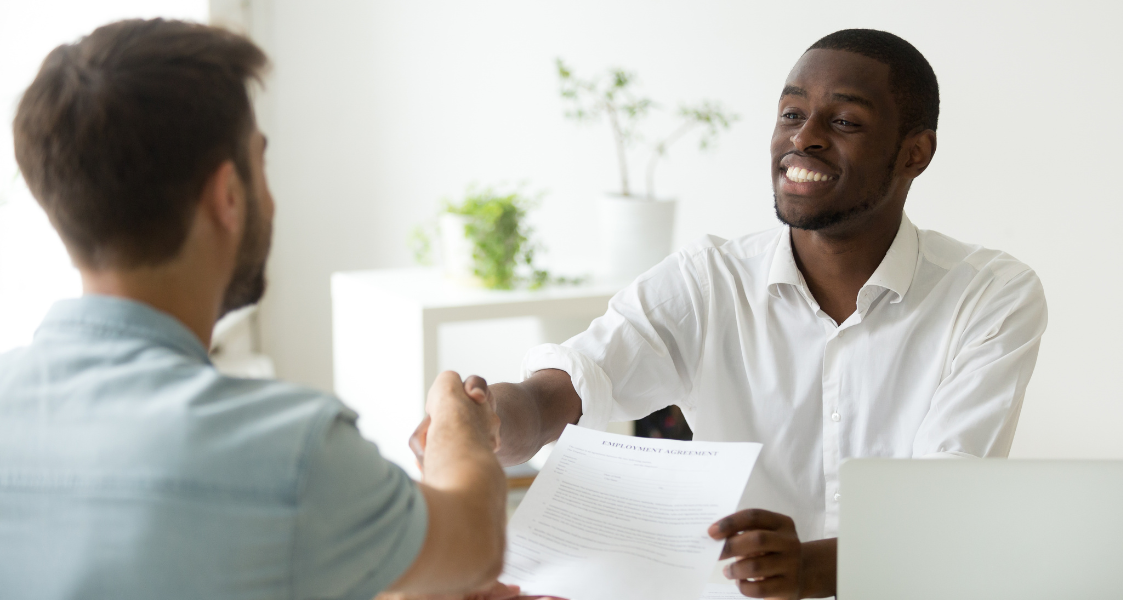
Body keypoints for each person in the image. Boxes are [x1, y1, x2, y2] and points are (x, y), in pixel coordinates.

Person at [413, 29, 1048, 599]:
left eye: (845, 120)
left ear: (915, 153)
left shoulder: (990, 295)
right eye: (791, 113)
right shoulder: (708, 279)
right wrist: (495, 420)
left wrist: (807, 569)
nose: (804, 138)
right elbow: (571, 385)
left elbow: (949, 507)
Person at [0, 19, 515, 600]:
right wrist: (456, 420)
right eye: (259, 161)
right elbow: (475, 544)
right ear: (228, 195)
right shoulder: (290, 453)